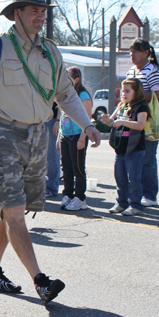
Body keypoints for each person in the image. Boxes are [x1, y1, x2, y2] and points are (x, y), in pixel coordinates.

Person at [0, 0, 101, 303]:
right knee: (14, 210)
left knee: (10, 207)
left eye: (44, 11)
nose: (41, 16)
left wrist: (87, 124)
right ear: (17, 14)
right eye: (34, 10)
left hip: (39, 136)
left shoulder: (50, 52)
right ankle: (40, 280)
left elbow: (65, 95)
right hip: (1, 135)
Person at [126, 39, 159, 208]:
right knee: (133, 158)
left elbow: (158, 93)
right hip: (132, 119)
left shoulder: (153, 70)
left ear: (146, 53)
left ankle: (150, 195)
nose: (132, 55)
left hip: (148, 120)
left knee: (147, 159)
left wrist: (137, 95)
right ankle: (135, 193)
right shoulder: (131, 71)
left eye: (135, 52)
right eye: (130, 52)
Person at [103, 78, 149, 216]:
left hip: (134, 148)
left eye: (128, 91)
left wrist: (122, 121)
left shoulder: (141, 107)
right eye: (122, 91)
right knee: (120, 177)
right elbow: (113, 122)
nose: (124, 94)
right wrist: (107, 121)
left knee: (133, 179)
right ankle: (121, 202)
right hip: (120, 148)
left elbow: (140, 125)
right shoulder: (122, 106)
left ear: (137, 91)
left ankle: (136, 205)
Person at [59, 67, 92, 211]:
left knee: (77, 168)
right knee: (66, 168)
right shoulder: (65, 93)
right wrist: (59, 136)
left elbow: (87, 118)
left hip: (78, 136)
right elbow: (62, 116)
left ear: (76, 79)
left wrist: (82, 139)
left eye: (69, 78)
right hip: (65, 135)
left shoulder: (83, 95)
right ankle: (68, 194)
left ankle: (80, 198)